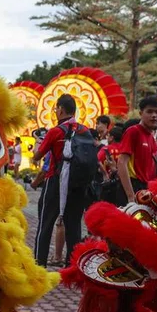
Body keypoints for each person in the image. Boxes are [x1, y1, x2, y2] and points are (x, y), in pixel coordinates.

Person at [32, 94, 94, 267]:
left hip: (55, 182)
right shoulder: (84, 130)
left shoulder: (55, 131)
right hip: (78, 184)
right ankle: (72, 266)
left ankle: (39, 263)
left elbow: (37, 157)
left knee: (46, 223)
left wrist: (39, 144)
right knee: (73, 226)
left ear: (60, 109)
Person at [115, 96, 157, 207]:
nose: (154, 115)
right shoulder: (133, 131)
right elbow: (121, 163)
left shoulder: (151, 137)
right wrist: (131, 196)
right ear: (141, 113)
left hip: (144, 189)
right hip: (131, 187)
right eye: (149, 111)